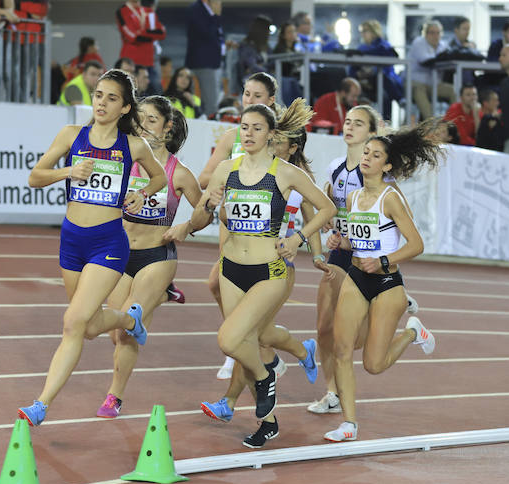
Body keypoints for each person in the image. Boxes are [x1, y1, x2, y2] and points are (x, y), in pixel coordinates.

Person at [17, 69, 168, 427]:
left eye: (111, 98)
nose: (101, 102)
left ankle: (41, 404)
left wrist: (140, 193)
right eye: (98, 95)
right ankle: (129, 319)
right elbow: (35, 176)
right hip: (71, 241)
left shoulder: (133, 145)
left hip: (108, 243)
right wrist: (66, 172)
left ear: (124, 107)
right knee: (86, 326)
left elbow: (159, 176)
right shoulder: (72, 136)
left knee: (72, 322)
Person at [190, 100, 336, 424]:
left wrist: (303, 241)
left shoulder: (287, 173)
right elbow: (202, 218)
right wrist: (209, 207)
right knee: (250, 338)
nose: (249, 133)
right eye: (244, 127)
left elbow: (326, 208)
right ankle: (270, 408)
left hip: (271, 267)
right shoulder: (227, 170)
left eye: (257, 128)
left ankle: (262, 376)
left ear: (271, 134)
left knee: (232, 339)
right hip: (231, 269)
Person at [323, 123, 443, 442]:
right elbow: (359, 239)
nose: (367, 158)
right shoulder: (352, 196)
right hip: (358, 277)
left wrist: (383, 261)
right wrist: (341, 241)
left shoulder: (390, 199)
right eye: (366, 152)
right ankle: (349, 424)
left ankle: (413, 331)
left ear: (386, 166)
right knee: (341, 348)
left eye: (376, 155)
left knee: (374, 365)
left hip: (388, 282)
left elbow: (416, 244)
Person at [309, 104, 419, 416]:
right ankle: (339, 405)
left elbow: (411, 236)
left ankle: (401, 315)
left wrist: (384, 261)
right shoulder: (341, 178)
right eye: (347, 121)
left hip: (378, 267)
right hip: (348, 257)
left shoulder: (388, 188)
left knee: (366, 354)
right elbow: (333, 213)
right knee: (330, 334)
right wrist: (333, 236)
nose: (349, 127)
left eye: (358, 123)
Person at [98, 97, 202, 418]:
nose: (143, 126)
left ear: (166, 127)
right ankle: (164, 294)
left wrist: (186, 226)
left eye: (151, 120)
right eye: (140, 120)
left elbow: (205, 211)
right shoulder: (126, 160)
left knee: (129, 326)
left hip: (156, 256)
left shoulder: (178, 173)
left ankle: (114, 397)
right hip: (120, 254)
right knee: (117, 331)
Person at [198, 72, 281, 380]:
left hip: (263, 230)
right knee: (218, 284)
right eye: (246, 94)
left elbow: (290, 180)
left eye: (257, 96)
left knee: (244, 293)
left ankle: (249, 350)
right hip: (230, 224)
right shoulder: (231, 138)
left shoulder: (277, 141)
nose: (249, 101)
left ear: (270, 102)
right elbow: (205, 178)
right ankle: (244, 348)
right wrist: (231, 176)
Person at [115, 0, 165, 92]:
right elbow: (132, 37)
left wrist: (142, 33)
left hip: (149, 63)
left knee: (156, 97)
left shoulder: (149, 12)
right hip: (131, 64)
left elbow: (161, 33)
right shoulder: (122, 11)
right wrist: (149, 34)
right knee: (131, 98)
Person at [185, 0, 225, 117]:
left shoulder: (214, 11)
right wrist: (215, 16)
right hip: (202, 64)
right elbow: (206, 34)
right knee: (210, 105)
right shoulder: (195, 10)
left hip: (214, 62)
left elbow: (216, 35)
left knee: (213, 102)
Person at [408, 19, 456, 122]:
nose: (435, 36)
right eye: (432, 33)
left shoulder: (444, 45)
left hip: (435, 84)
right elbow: (425, 61)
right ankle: (431, 124)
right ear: (425, 33)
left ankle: (451, 124)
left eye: (438, 33)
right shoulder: (418, 42)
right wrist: (442, 57)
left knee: (454, 90)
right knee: (419, 90)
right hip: (415, 83)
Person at [237, 14, 272, 88]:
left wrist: (265, 67)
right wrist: (267, 70)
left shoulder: (267, 47)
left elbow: (272, 63)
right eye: (268, 29)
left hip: (265, 76)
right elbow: (252, 66)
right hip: (251, 79)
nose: (269, 32)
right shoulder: (247, 45)